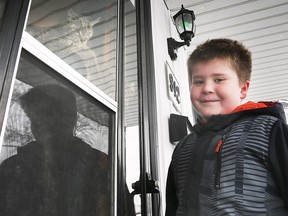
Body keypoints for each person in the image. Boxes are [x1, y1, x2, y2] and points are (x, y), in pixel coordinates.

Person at [165, 38, 288, 215]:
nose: (207, 88)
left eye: (219, 79)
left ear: (243, 89)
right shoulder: (183, 147)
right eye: (198, 81)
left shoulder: (270, 130)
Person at [0, 84, 109, 216]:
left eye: (48, 115)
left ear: (71, 119)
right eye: (35, 119)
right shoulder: (13, 167)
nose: (40, 126)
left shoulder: (101, 166)